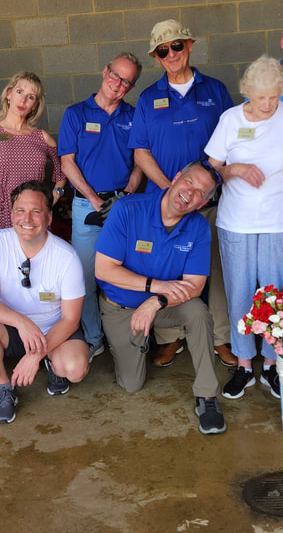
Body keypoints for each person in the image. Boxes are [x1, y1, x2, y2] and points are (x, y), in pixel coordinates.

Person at [205, 56, 283, 401]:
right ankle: (244, 365)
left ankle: (271, 364)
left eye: (274, 96)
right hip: (235, 222)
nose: (269, 104)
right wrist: (235, 168)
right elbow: (212, 169)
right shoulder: (229, 119)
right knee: (240, 293)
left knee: (274, 297)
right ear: (247, 93)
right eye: (261, 98)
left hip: (282, 221)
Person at [128, 19, 235, 367]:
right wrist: (172, 190)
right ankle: (170, 337)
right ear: (156, 58)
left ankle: (221, 337)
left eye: (176, 46)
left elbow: (232, 143)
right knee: (167, 268)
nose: (171, 54)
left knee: (215, 270)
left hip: (210, 201)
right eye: (163, 50)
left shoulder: (215, 91)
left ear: (189, 45)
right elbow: (141, 152)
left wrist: (201, 191)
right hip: (168, 204)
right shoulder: (148, 98)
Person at [95, 161, 226, 435]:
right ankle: (140, 343)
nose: (191, 193)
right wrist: (156, 287)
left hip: (162, 307)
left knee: (197, 312)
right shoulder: (128, 209)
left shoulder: (198, 227)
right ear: (177, 177)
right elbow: (104, 269)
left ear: (203, 203)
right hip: (120, 308)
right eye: (189, 182)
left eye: (201, 193)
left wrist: (155, 301)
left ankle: (207, 396)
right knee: (132, 384)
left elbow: (194, 285)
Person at [0, 182, 89, 425]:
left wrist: (36, 355)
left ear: (49, 217)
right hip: (10, 328)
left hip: (53, 328)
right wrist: (21, 322)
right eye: (20, 210)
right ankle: (4, 388)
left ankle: (51, 363)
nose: (27, 219)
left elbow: (71, 319)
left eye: (36, 211)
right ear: (11, 215)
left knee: (75, 369)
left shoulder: (67, 257)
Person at [58, 53, 144, 360]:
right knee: (84, 276)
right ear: (105, 71)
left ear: (131, 87)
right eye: (115, 75)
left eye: (126, 81)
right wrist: (96, 201)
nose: (117, 84)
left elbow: (140, 161)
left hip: (124, 205)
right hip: (86, 206)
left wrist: (126, 194)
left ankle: (131, 337)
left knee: (129, 271)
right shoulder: (76, 114)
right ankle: (94, 337)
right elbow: (67, 163)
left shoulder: (134, 117)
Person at [0, 71, 65, 232]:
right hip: (2, 214)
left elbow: (63, 169)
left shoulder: (42, 137)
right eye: (19, 91)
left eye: (31, 97)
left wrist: (56, 193)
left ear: (35, 105)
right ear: (9, 94)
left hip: (36, 214)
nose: (23, 100)